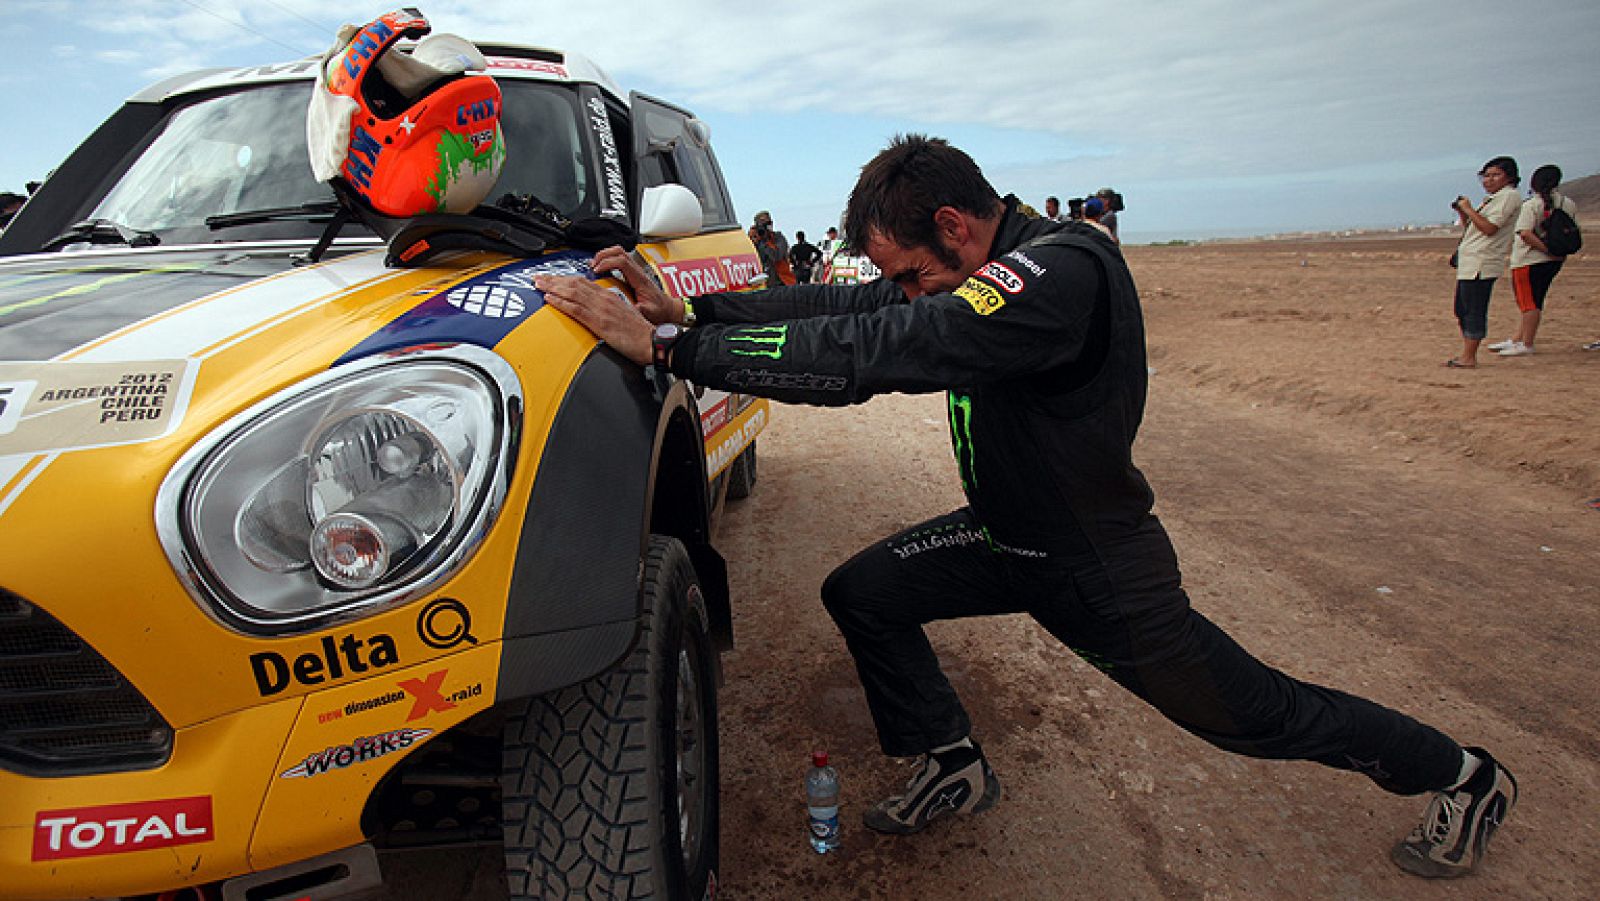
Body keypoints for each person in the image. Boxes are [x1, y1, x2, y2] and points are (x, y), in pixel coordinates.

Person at [535, 134, 1517, 880]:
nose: (903, 290)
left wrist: (670, 354)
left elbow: (886, 348)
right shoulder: (981, 264)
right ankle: (953, 759)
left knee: (1253, 717)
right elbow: (856, 312)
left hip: (1094, 564)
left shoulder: (1061, 271)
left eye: (914, 269)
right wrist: (693, 312)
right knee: (865, 592)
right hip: (1008, 536)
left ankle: (1459, 773)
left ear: (956, 228)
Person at [1489, 164, 1577, 357]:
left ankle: (1526, 342)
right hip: (1553, 261)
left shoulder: (1531, 205)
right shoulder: (1567, 203)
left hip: (1528, 260)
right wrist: (1553, 252)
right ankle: (1518, 338)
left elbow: (1525, 233)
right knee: (1535, 300)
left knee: (1528, 302)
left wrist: (1545, 249)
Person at [1447, 157, 1522, 368]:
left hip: (1482, 262)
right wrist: (1464, 212)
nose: (1488, 180)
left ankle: (1469, 357)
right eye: (1486, 176)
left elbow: (1490, 228)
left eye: (1495, 175)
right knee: (1462, 309)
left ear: (1509, 177)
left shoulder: (1508, 197)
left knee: (1474, 309)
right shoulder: (1494, 199)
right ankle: (1466, 353)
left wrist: (1469, 209)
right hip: (1470, 262)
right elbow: (1474, 227)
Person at [748, 210, 792, 288]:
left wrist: (764, 241)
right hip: (764, 283)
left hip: (783, 282)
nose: (767, 226)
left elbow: (776, 256)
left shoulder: (778, 238)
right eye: (763, 224)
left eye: (768, 223)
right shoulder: (756, 240)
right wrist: (752, 240)